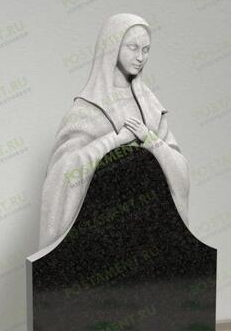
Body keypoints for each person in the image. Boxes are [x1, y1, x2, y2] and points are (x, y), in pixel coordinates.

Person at [38, 13, 190, 249]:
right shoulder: (87, 108)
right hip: (99, 236)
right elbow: (62, 175)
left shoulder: (151, 106)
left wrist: (150, 139)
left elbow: (180, 171)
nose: (140, 57)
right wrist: (114, 140)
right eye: (132, 47)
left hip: (146, 232)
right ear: (112, 47)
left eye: (146, 50)